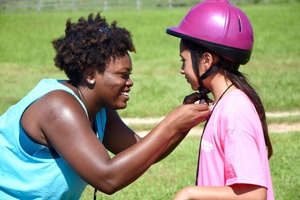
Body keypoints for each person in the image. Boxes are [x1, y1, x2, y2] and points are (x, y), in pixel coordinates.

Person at [0, 13, 211, 199]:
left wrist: (184, 121)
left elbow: (143, 151)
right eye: (123, 75)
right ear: (90, 74)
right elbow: (107, 178)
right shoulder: (58, 107)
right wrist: (172, 124)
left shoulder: (99, 110)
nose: (130, 83)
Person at [166, 0, 274, 199]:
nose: (181, 69)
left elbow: (254, 194)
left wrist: (189, 193)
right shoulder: (224, 103)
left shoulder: (234, 112)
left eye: (184, 61)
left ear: (206, 61)